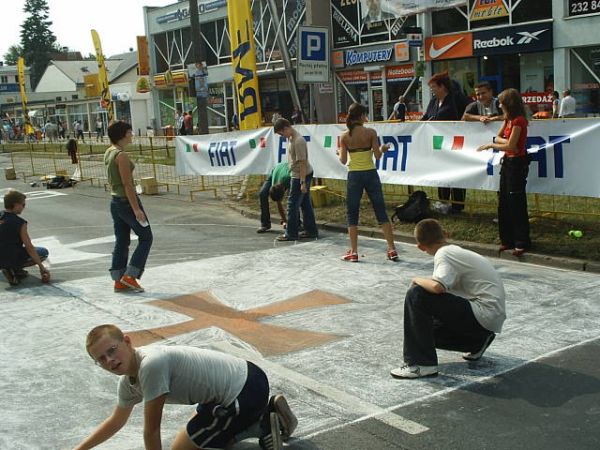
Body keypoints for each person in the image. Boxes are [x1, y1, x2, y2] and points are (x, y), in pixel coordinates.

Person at [74, 324, 297, 450]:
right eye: (101, 359)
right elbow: (116, 421)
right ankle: (261, 419)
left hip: (245, 391)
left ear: (127, 341)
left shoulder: (151, 364)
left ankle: (261, 424)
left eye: (112, 350)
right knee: (197, 437)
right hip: (242, 382)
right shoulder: (128, 382)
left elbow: (151, 430)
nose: (109, 361)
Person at [390, 219, 505, 379]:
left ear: (420, 247)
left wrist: (416, 279)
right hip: (488, 319)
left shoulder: (445, 254)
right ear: (445, 234)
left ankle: (422, 364)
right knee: (422, 333)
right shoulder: (455, 251)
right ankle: (477, 342)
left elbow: (438, 287)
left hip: (482, 313)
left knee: (416, 294)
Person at [337, 103, 399, 262]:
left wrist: (339, 152)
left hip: (354, 176)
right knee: (380, 210)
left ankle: (354, 251)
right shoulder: (371, 132)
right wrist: (383, 149)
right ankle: (392, 249)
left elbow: (343, 161)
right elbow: (377, 156)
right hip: (371, 174)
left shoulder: (344, 136)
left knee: (352, 213)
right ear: (362, 116)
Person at [477, 88, 531, 256]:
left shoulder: (519, 121)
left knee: (516, 202)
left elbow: (510, 146)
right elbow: (498, 137)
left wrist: (493, 145)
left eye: (501, 102)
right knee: (504, 202)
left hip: (517, 163)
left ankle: (521, 241)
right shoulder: (508, 119)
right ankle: (507, 239)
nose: (499, 105)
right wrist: (499, 141)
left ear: (508, 103)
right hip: (507, 162)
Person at [104, 121, 153, 293]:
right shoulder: (121, 156)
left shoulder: (109, 151)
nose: (132, 134)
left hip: (115, 201)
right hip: (126, 201)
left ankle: (118, 279)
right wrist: (137, 209)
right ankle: (130, 276)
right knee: (146, 237)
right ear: (124, 134)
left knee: (122, 240)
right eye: (130, 131)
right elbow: (127, 184)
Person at [422, 71, 466, 213]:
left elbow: (469, 110)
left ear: (442, 87)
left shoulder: (457, 98)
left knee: (456, 172)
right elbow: (426, 117)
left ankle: (458, 204)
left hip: (455, 140)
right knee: (441, 170)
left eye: (434, 87)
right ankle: (443, 201)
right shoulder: (433, 102)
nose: (432, 90)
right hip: (438, 141)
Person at [273, 118, 318, 241]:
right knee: (305, 204)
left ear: (286, 128)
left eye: (282, 133)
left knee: (292, 204)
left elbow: (302, 163)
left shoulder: (298, 141)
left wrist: (302, 182)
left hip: (300, 175)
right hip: (299, 174)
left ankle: (291, 233)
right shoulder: (291, 138)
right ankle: (311, 230)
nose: (282, 136)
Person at [0, 190, 50, 286]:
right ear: (16, 205)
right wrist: (41, 268)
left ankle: (11, 269)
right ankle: (14, 269)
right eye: (23, 205)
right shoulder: (20, 222)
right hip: (8, 257)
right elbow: (29, 247)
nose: (24, 207)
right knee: (43, 252)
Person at [257, 161, 291, 233]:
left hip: (288, 173)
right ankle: (265, 224)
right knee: (262, 193)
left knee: (292, 199)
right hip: (275, 172)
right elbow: (278, 202)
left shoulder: (289, 179)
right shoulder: (274, 184)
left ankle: (296, 223)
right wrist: (285, 221)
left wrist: (287, 222)